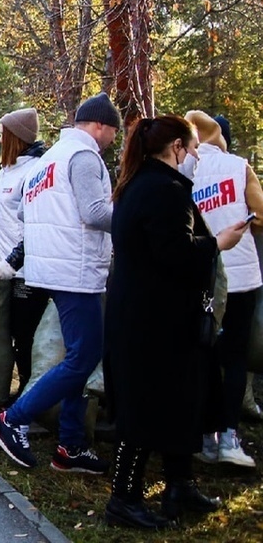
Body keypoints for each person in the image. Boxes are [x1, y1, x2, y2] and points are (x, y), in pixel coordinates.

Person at [103, 114, 247, 528]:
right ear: (176, 149)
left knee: (183, 399)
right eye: (194, 148)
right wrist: (219, 242)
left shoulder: (137, 185)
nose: (197, 156)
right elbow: (175, 255)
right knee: (146, 409)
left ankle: (179, 483)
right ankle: (123, 498)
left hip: (148, 316)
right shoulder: (164, 191)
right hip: (156, 322)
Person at [0, 92, 120, 474]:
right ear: (98, 126)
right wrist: (133, 213)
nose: (112, 138)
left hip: (52, 268)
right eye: (111, 131)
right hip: (75, 270)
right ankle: (13, 419)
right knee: (85, 356)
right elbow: (95, 213)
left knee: (79, 355)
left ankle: (72, 445)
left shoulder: (49, 159)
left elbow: (24, 209)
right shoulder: (83, 156)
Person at [185, 110, 263, 468]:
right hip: (242, 276)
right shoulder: (238, 166)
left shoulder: (185, 169)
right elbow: (260, 215)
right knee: (234, 359)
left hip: (201, 276)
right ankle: (230, 436)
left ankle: (202, 436)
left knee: (202, 358)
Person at [0, 108, 49, 397]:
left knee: (26, 335)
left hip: (25, 270)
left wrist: (15, 261)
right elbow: (2, 216)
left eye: (3, 134)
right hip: (5, 266)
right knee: (13, 331)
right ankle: (21, 386)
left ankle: (27, 389)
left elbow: (35, 225)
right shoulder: (7, 170)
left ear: (16, 138)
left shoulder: (34, 171)